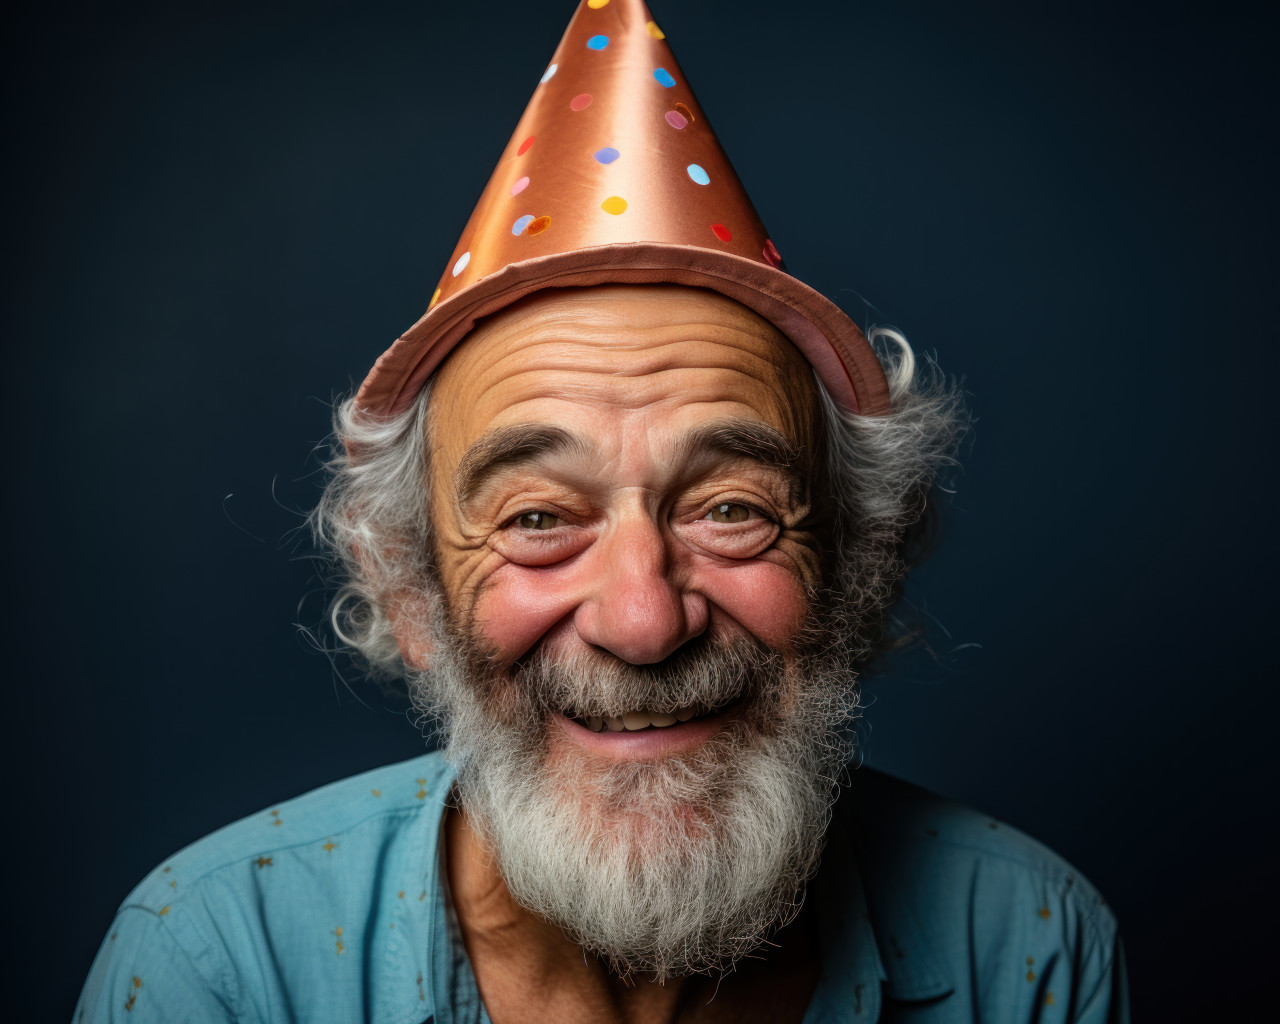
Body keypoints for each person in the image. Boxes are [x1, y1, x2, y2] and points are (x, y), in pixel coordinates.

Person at [76, 2, 1128, 1021]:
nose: (641, 622)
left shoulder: (1029, 946)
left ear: (853, 569)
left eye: (730, 507)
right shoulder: (218, 963)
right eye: (537, 518)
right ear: (409, 589)